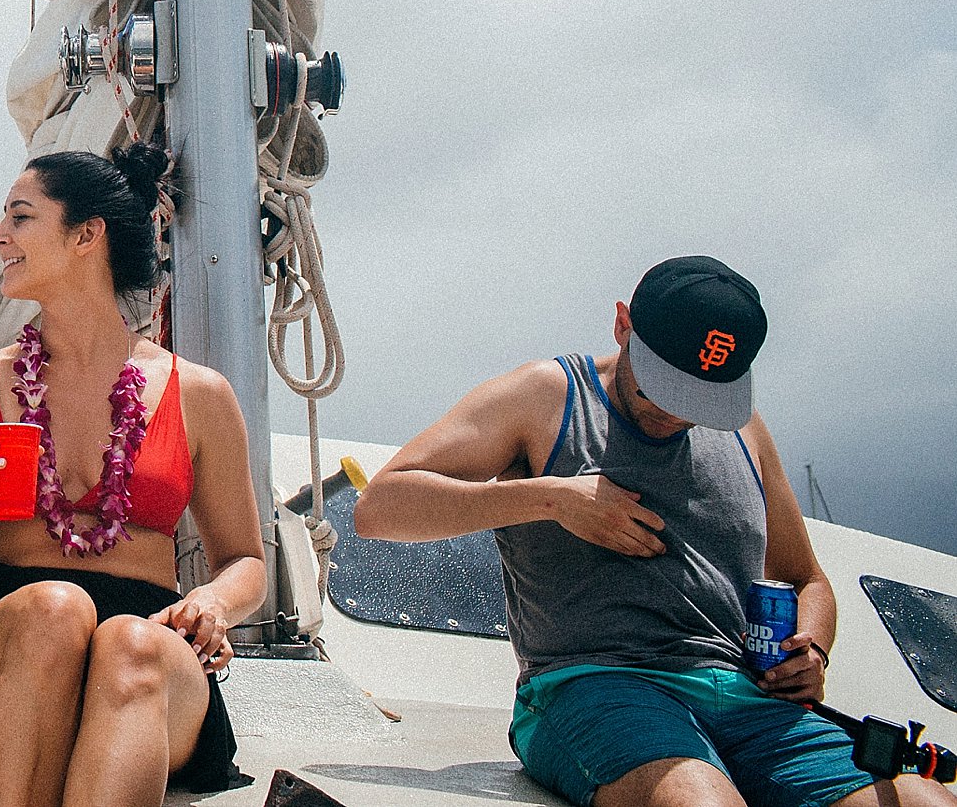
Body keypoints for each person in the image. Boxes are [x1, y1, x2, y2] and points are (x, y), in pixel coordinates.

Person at [355, 257, 954, 807]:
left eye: (702, 399)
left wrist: (813, 648)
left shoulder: (747, 431)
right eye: (664, 386)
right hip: (595, 683)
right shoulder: (543, 397)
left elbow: (805, 580)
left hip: (749, 698)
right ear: (623, 326)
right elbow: (381, 507)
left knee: (928, 802)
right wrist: (553, 499)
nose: (677, 411)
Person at [0, 146, 259, 807]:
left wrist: (212, 603)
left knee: (130, 642)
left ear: (87, 234)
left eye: (21, 215)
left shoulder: (199, 394)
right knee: (53, 609)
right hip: (2, 649)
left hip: (149, 645)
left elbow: (244, 560)